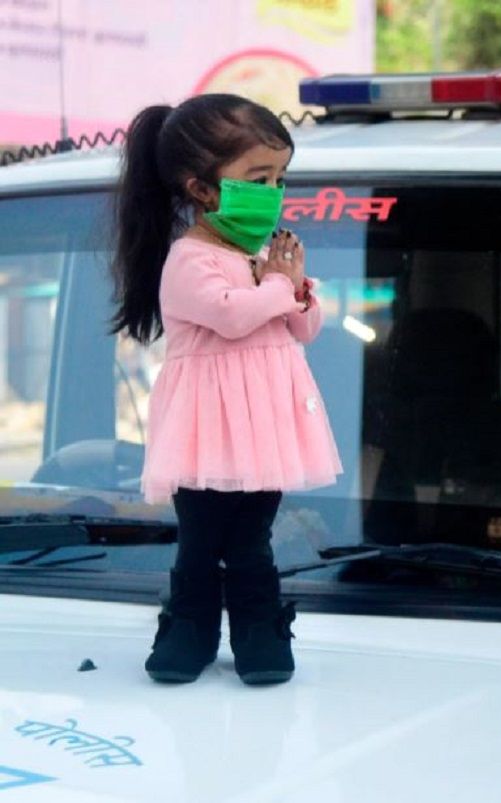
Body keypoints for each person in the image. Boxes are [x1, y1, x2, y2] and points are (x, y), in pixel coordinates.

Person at [110, 95, 342, 685]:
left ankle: (260, 635)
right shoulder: (190, 260)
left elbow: (305, 326)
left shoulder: (262, 257)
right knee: (200, 540)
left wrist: (296, 289)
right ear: (203, 189)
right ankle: (188, 633)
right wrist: (282, 286)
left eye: (280, 177)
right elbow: (231, 315)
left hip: (263, 435)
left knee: (251, 541)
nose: (273, 190)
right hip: (204, 437)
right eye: (257, 178)